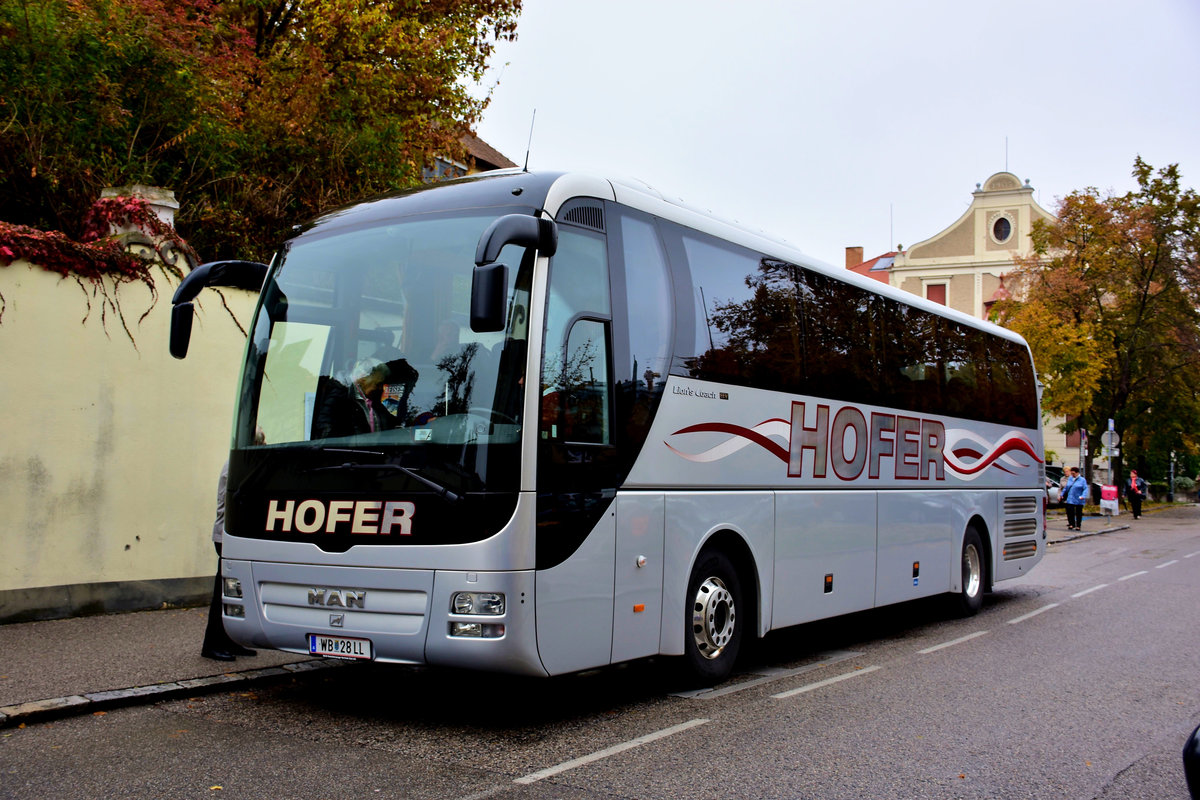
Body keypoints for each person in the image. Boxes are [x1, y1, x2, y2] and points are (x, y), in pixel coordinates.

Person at [202, 435, 262, 661]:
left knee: (235, 592)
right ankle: (212, 644)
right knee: (223, 593)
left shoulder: (239, 463)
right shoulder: (237, 465)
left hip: (231, 536)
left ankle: (230, 640)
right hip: (227, 536)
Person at [1063, 466, 1088, 531]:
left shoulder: (1082, 480)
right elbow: (1066, 487)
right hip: (1070, 498)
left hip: (1078, 498)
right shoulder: (1070, 478)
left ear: (1077, 473)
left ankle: (1078, 525)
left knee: (1078, 512)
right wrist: (1062, 494)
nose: (1072, 475)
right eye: (1071, 473)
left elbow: (1085, 489)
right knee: (1069, 511)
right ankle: (1071, 524)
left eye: (1073, 473)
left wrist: (1083, 496)